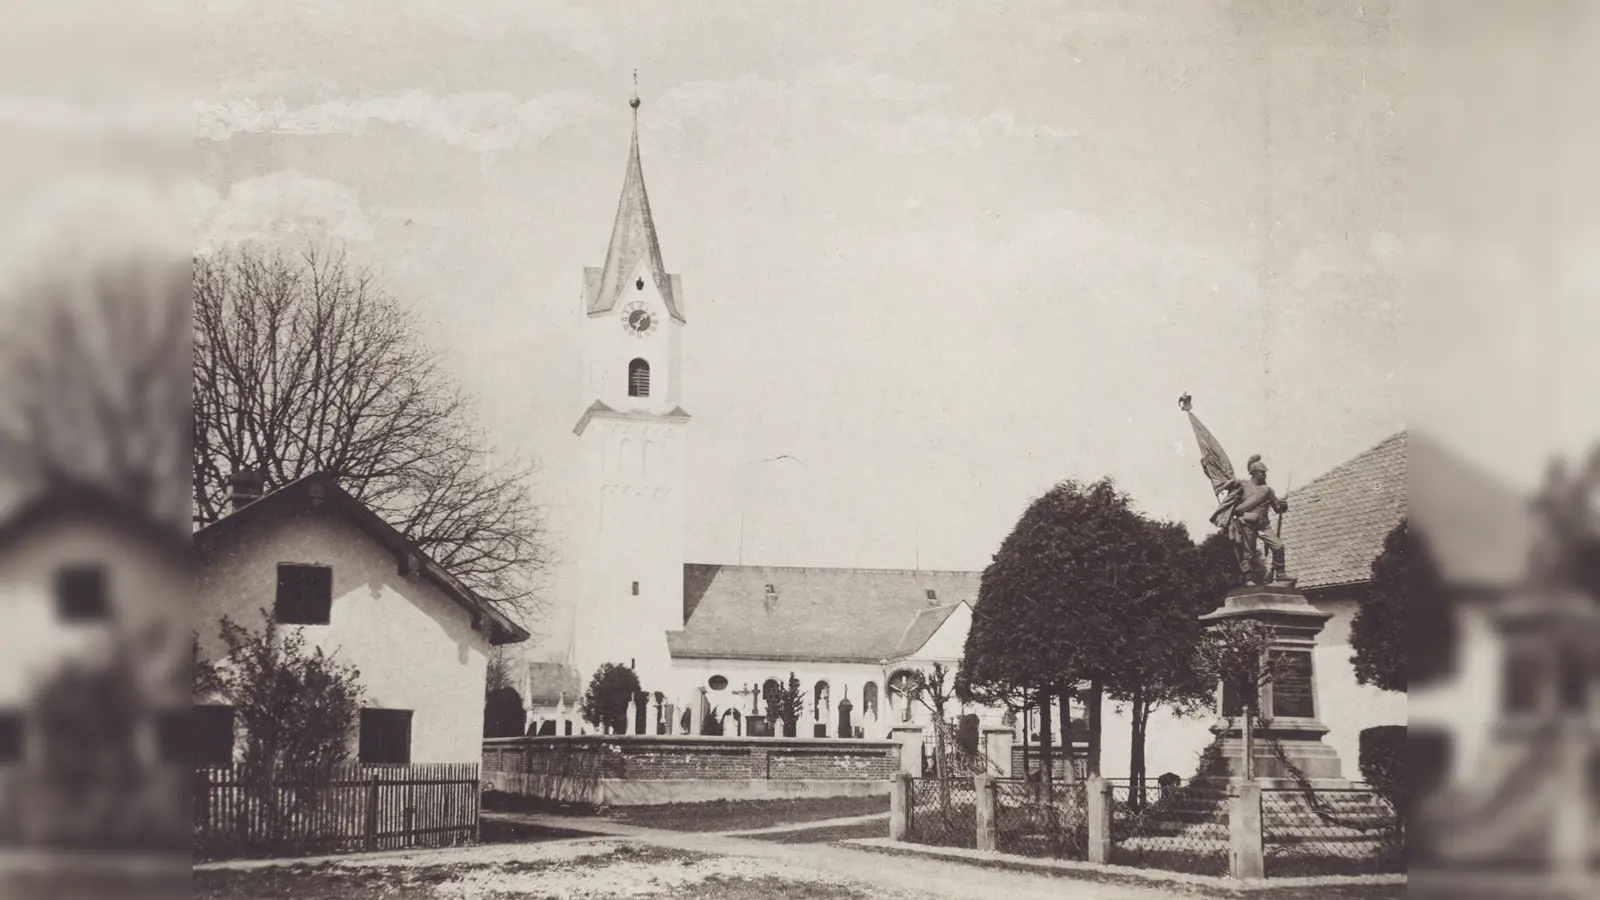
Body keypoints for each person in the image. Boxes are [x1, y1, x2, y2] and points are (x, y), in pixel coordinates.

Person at [1219, 455, 1289, 584]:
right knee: (1248, 553)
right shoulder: (1243, 486)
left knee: (1278, 546)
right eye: (1262, 473)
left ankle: (1280, 573)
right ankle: (1248, 578)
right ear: (1254, 473)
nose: (1264, 475)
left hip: (1263, 526)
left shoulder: (1268, 491)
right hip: (1247, 523)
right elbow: (1229, 490)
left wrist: (1283, 506)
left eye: (1264, 473)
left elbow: (1277, 507)